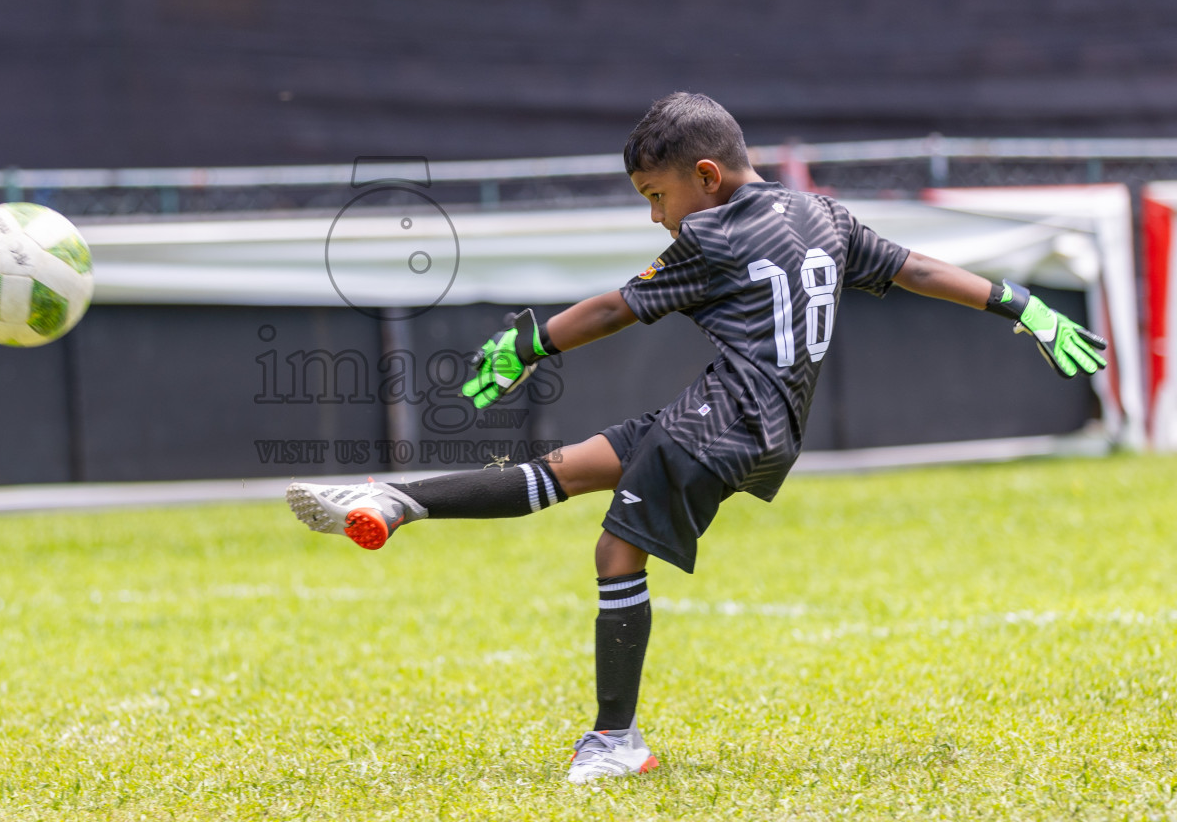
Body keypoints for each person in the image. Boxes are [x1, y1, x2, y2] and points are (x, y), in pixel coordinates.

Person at [286, 92, 1108, 784]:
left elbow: (615, 306)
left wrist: (527, 346)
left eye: (655, 195)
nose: (656, 215)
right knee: (571, 469)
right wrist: (1019, 303)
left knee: (615, 552)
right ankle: (395, 501)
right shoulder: (819, 213)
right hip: (756, 422)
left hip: (723, 423)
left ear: (704, 178)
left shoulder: (710, 236)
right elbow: (916, 269)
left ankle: (614, 741)